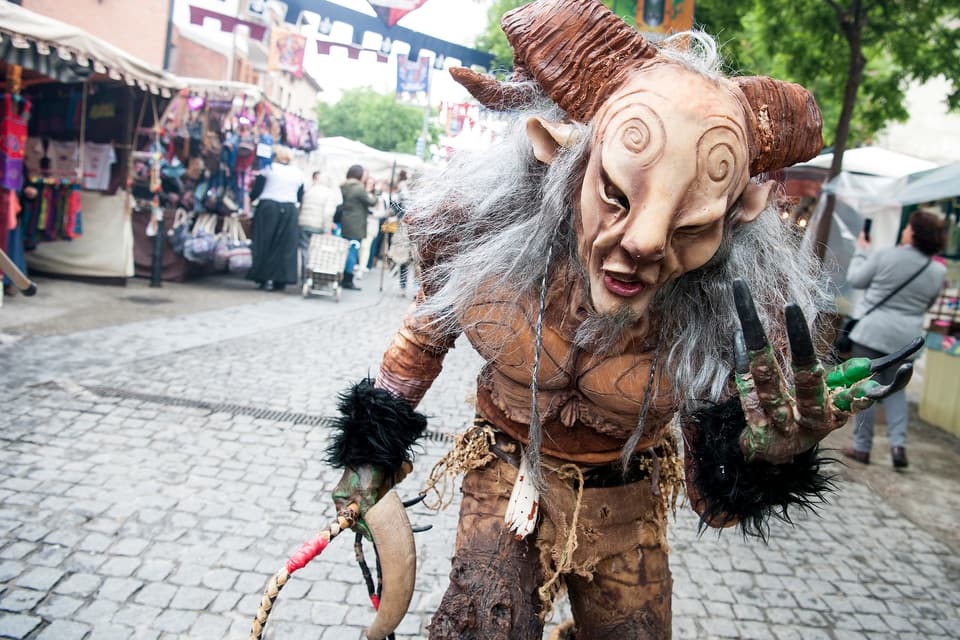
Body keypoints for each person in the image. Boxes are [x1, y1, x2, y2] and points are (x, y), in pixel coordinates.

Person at [319, 1, 918, 638]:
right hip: (504, 483)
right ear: (562, 157)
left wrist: (762, 455)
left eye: (691, 226)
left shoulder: (716, 316)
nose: (644, 243)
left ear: (735, 218)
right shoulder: (486, 243)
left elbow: (712, 503)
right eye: (615, 196)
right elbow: (422, 337)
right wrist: (367, 455)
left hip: (625, 512)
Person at [841, 208, 947, 469]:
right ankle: (898, 446)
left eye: (909, 227)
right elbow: (928, 303)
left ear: (914, 234)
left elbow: (856, 279)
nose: (905, 230)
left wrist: (861, 251)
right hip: (907, 338)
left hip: (873, 332)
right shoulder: (937, 271)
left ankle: (862, 448)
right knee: (897, 391)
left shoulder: (886, 255)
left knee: (866, 387)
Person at [246, 146, 303, 292]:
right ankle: (281, 279)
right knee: (285, 245)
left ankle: (262, 277)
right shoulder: (297, 173)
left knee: (264, 242)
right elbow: (300, 196)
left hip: (268, 207)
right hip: (289, 208)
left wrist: (247, 205)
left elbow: (256, 192)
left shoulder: (268, 169)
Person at [338, 164, 378, 290]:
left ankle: (343, 276)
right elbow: (371, 202)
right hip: (356, 225)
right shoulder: (359, 188)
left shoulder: (343, 186)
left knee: (346, 250)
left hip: (345, 222)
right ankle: (348, 279)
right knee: (353, 250)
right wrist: (377, 192)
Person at [298, 170, 341, 279]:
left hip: (303, 224)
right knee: (315, 253)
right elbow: (328, 213)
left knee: (304, 250)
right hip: (317, 226)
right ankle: (311, 277)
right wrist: (327, 230)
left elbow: (301, 207)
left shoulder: (310, 190)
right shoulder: (329, 193)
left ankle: (304, 276)